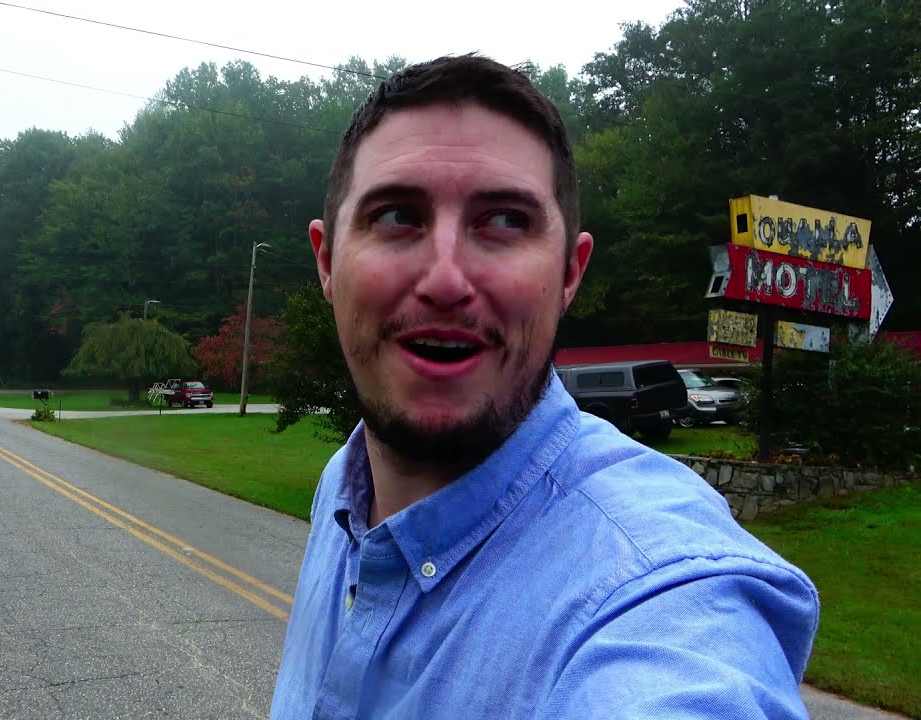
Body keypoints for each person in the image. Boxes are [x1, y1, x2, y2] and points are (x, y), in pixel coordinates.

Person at [270, 54, 819, 719]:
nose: (446, 279)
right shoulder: (346, 484)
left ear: (569, 273)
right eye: (396, 216)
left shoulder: (653, 588)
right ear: (328, 262)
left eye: (504, 221)